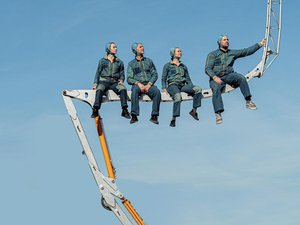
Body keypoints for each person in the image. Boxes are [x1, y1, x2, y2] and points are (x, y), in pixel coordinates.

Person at [205, 35, 266, 124]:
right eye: (224, 40)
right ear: (220, 42)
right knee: (216, 89)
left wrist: (260, 44)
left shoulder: (232, 53)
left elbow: (246, 51)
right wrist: (214, 77)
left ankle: (248, 101)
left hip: (228, 75)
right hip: (216, 78)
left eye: (228, 40)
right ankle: (218, 113)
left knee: (241, 78)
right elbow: (207, 68)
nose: (227, 41)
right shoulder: (213, 54)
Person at [162, 47, 202, 127]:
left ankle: (194, 111)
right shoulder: (167, 65)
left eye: (180, 51)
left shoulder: (184, 66)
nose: (180, 52)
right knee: (178, 96)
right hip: (172, 85)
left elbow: (188, 79)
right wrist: (164, 88)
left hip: (183, 85)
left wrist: (191, 88)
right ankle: (174, 119)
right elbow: (163, 78)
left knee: (198, 89)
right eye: (178, 51)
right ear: (173, 53)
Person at [91, 42, 130, 119]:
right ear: (109, 49)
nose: (116, 48)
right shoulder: (102, 61)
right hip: (104, 81)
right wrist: (95, 83)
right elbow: (98, 73)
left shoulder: (120, 62)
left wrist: (122, 80)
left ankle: (124, 110)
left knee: (123, 89)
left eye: (116, 47)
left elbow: (122, 74)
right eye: (114, 47)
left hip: (114, 82)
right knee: (99, 89)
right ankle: (95, 109)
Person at [127, 42, 161, 124]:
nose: (143, 48)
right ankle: (134, 116)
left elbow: (155, 74)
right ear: (135, 50)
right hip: (138, 85)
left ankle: (154, 116)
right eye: (140, 47)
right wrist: (138, 83)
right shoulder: (131, 64)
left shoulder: (149, 61)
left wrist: (149, 84)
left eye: (142, 46)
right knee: (134, 91)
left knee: (157, 92)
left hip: (149, 84)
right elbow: (129, 78)